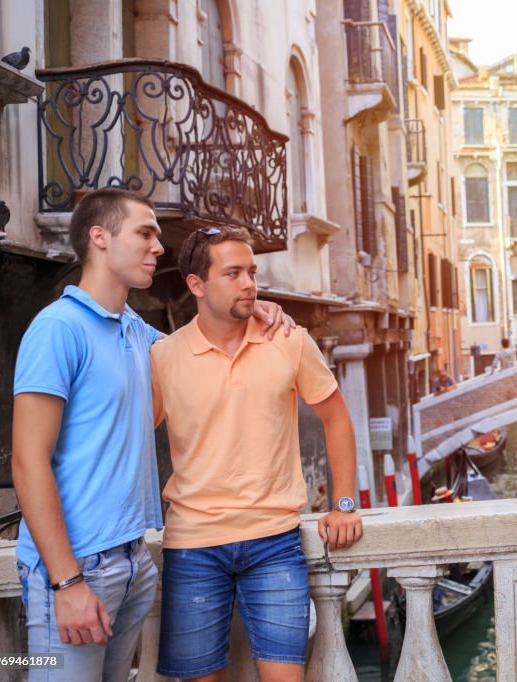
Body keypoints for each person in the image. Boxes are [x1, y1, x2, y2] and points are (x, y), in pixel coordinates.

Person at [11, 189, 291, 681]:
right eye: (145, 233)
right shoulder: (57, 329)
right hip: (78, 569)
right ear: (100, 237)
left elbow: (202, 345)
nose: (158, 247)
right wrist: (66, 582)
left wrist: (257, 308)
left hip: (132, 563)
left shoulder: (137, 333)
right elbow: (27, 461)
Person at [150, 226, 362, 681]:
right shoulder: (163, 357)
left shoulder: (288, 338)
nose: (249, 283)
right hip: (193, 546)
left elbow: (338, 419)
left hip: (275, 541)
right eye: (233, 273)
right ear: (196, 285)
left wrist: (344, 505)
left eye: (251, 272)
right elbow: (128, 440)